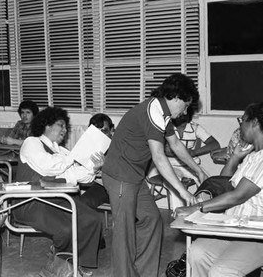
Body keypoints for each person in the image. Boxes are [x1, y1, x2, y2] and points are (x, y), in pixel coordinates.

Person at [102, 73, 207, 277]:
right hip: (119, 176)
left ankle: (144, 272)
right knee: (124, 233)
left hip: (134, 176)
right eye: (185, 106)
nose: (186, 111)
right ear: (175, 97)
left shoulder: (162, 112)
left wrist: (198, 170)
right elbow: (159, 157)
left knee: (152, 219)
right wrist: (183, 192)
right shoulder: (152, 112)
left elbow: (175, 144)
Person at [174, 101, 263, 277]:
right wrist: (235, 158)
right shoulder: (253, 157)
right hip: (237, 229)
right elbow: (225, 183)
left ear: (255, 123)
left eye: (242, 120)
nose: (240, 126)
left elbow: (238, 195)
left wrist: (196, 207)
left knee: (222, 270)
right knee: (197, 253)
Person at [13, 106, 103, 274]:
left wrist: (92, 168)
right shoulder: (31, 142)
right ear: (46, 125)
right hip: (29, 202)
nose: (65, 130)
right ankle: (58, 268)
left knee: (92, 219)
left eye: (65, 126)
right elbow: (48, 166)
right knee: (65, 230)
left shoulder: (61, 151)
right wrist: (72, 157)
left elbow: (77, 175)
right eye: (60, 125)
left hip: (55, 200)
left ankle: (77, 265)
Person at [148, 106, 220, 208]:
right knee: (175, 181)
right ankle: (179, 212)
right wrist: (171, 151)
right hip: (168, 164)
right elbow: (159, 151)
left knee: (206, 181)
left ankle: (203, 210)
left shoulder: (195, 127)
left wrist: (193, 152)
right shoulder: (165, 128)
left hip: (188, 165)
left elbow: (215, 144)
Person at [78, 113, 114, 210]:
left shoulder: (119, 146)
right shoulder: (86, 146)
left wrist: (108, 164)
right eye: (96, 132)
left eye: (104, 131)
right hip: (100, 186)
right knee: (81, 204)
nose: (101, 135)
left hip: (118, 187)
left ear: (111, 130)